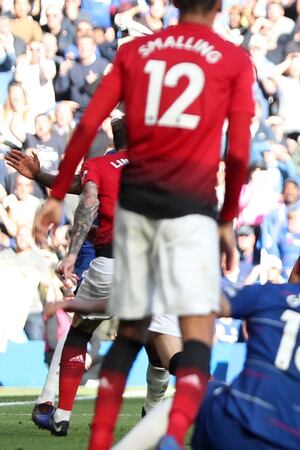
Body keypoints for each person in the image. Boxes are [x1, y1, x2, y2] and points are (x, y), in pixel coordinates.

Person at [33, 0, 255, 448]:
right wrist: (228, 218)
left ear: (173, 5)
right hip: (191, 216)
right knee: (182, 339)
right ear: (217, 8)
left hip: (138, 216)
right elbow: (237, 151)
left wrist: (56, 194)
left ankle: (99, 436)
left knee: (129, 335)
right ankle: (192, 421)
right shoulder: (234, 59)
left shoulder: (138, 52)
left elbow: (88, 122)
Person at [46, 227, 300, 450]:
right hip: (291, 439)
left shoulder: (268, 295)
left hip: (229, 429)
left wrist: (88, 303)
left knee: (199, 386)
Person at [6, 118, 181, 436]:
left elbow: (86, 197)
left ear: (114, 140)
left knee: (81, 329)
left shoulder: (101, 165)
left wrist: (70, 254)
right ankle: (184, 393)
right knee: (164, 346)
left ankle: (58, 414)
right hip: (157, 266)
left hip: (110, 259)